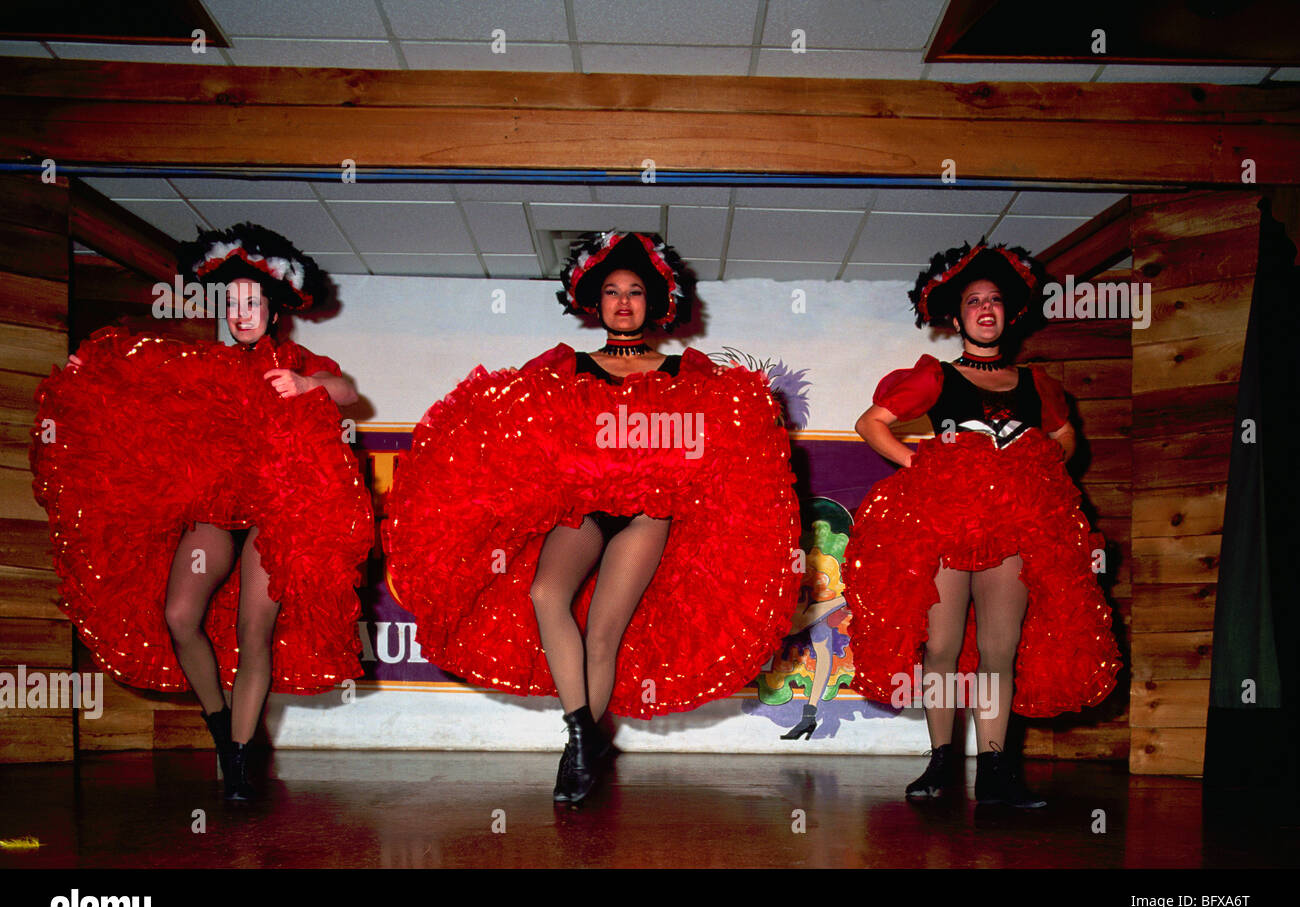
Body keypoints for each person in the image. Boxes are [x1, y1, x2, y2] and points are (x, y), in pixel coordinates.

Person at [384, 231, 800, 803]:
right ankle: (585, 735)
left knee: (604, 633)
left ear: (654, 302)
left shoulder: (688, 374)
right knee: (544, 595)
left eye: (634, 291)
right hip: (582, 509)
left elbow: (728, 443)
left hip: (648, 513)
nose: (623, 301)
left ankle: (575, 754)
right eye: (611, 291)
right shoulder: (563, 367)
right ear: (594, 301)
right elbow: (507, 426)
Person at [32, 223, 373, 800]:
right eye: (232, 302)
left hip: (278, 513)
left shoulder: (298, 357)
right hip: (216, 508)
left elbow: (347, 391)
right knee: (179, 616)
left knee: (252, 632)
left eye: (252, 302)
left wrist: (306, 383)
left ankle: (239, 761)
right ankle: (221, 724)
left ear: (273, 308)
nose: (241, 312)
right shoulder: (203, 363)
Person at [844, 240, 1120, 808]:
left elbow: (1065, 439)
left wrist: (1037, 471)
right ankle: (941, 762)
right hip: (945, 526)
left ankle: (996, 771)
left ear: (1009, 312)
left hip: (1015, 529)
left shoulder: (1038, 384)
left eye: (995, 300)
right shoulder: (937, 378)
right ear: (957, 314)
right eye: (974, 301)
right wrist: (919, 463)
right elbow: (871, 422)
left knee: (1000, 648)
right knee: (941, 647)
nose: (986, 309)